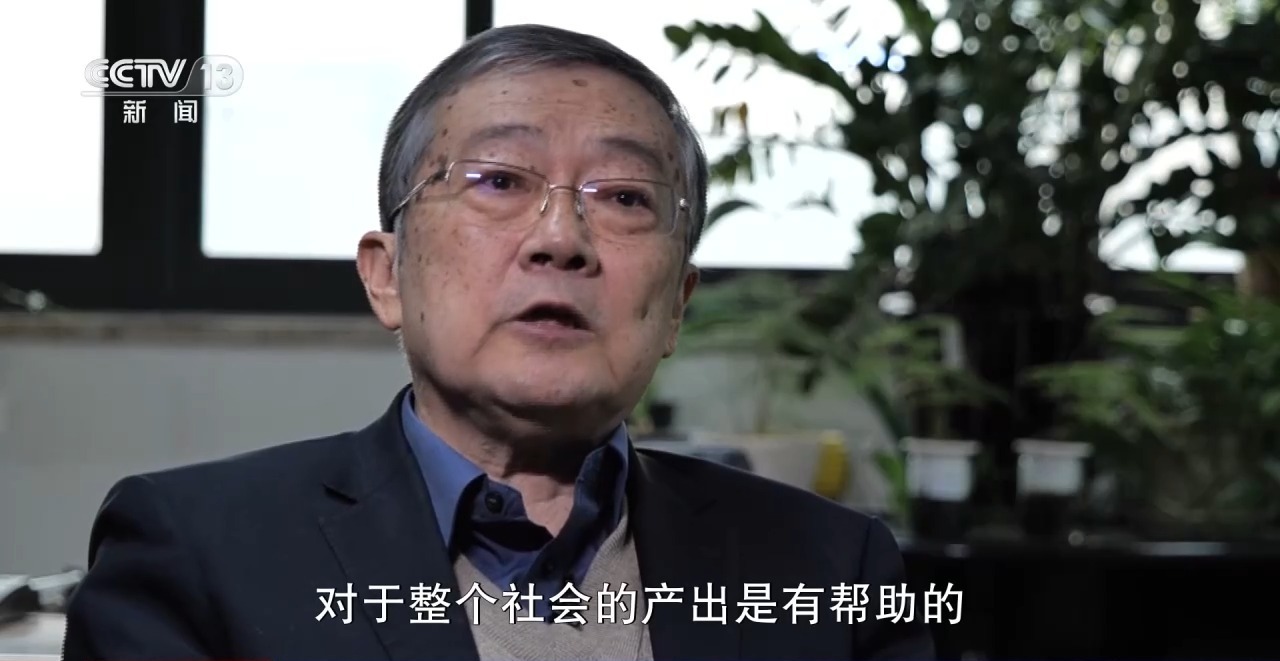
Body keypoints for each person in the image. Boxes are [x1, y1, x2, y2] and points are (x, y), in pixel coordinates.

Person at [62, 24, 934, 661]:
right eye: (498, 180)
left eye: (625, 197)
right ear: (387, 275)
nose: (562, 238)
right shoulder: (196, 552)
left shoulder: (833, 573)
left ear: (676, 306)